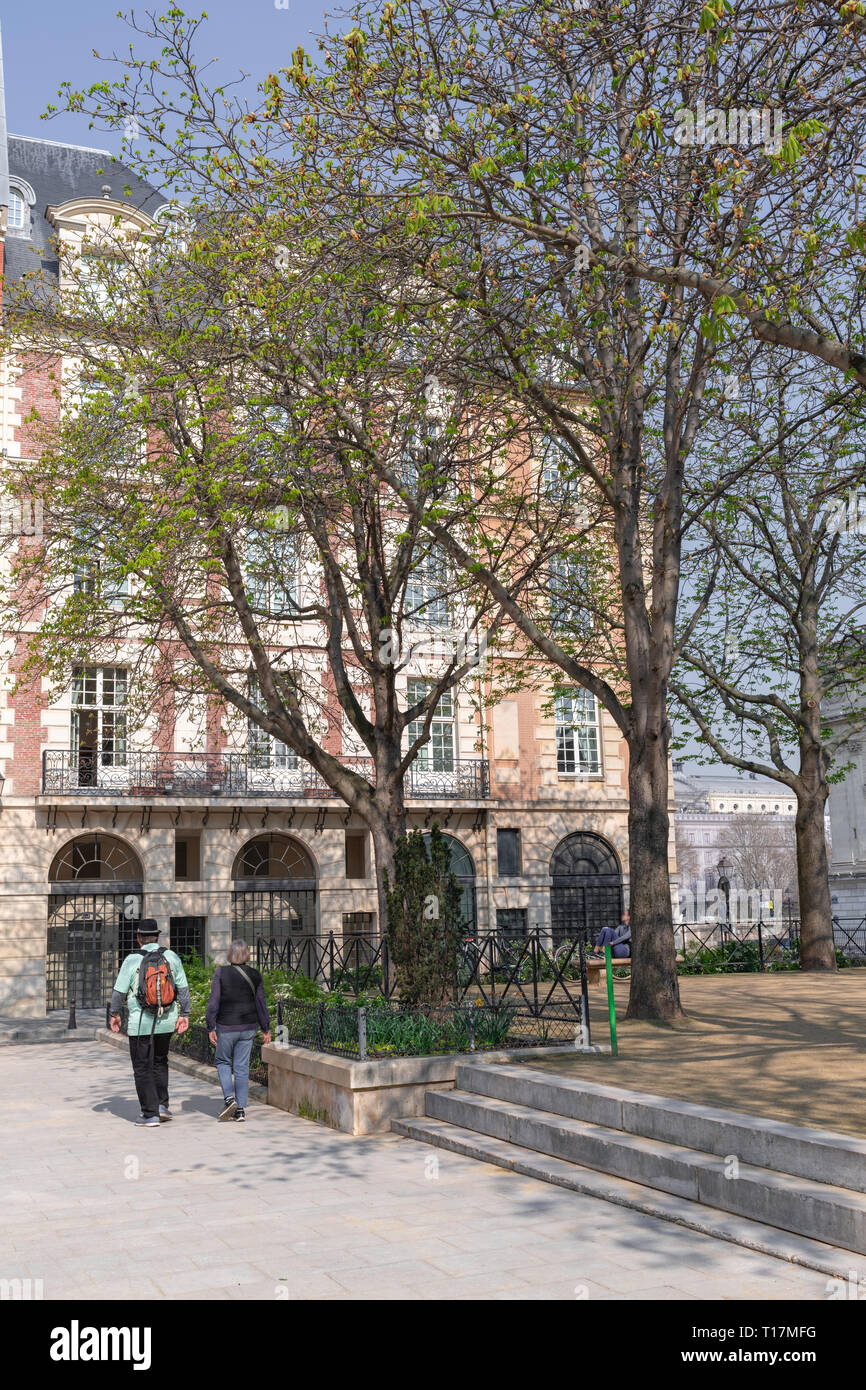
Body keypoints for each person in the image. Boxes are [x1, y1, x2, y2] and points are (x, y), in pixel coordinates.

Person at [108, 919, 190, 1127]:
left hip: (141, 1023)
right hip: (166, 1021)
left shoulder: (132, 960)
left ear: (138, 939)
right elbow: (183, 989)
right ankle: (162, 1105)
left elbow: (119, 992)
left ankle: (149, 1114)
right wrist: (185, 1014)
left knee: (142, 1067)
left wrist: (114, 1014)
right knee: (160, 1062)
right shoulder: (171, 956)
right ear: (157, 937)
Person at [206, 940, 271, 1122]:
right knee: (242, 1067)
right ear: (246, 955)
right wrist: (266, 1028)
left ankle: (229, 1099)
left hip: (226, 1027)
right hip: (248, 1027)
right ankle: (240, 1109)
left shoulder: (221, 973)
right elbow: (261, 1003)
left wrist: (210, 1025)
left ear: (230, 954)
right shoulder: (255, 975)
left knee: (223, 1061)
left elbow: (214, 1001)